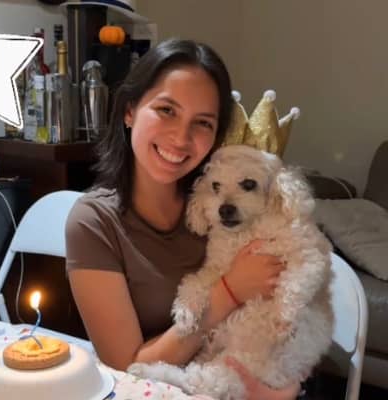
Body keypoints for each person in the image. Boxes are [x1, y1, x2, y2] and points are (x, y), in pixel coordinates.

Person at [65, 38, 300, 400]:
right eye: (167, 110)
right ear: (129, 111)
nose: (181, 138)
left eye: (202, 122)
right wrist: (229, 292)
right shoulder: (94, 223)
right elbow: (128, 368)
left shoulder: (230, 208)